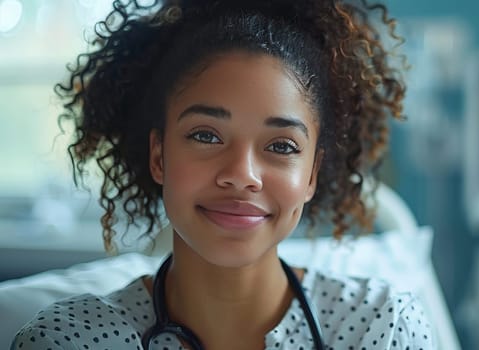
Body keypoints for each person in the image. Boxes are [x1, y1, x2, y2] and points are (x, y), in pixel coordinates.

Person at [12, 0, 433, 349]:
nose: (242, 175)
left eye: (282, 146)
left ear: (311, 176)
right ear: (159, 156)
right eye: (206, 135)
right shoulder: (67, 340)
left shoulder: (384, 328)